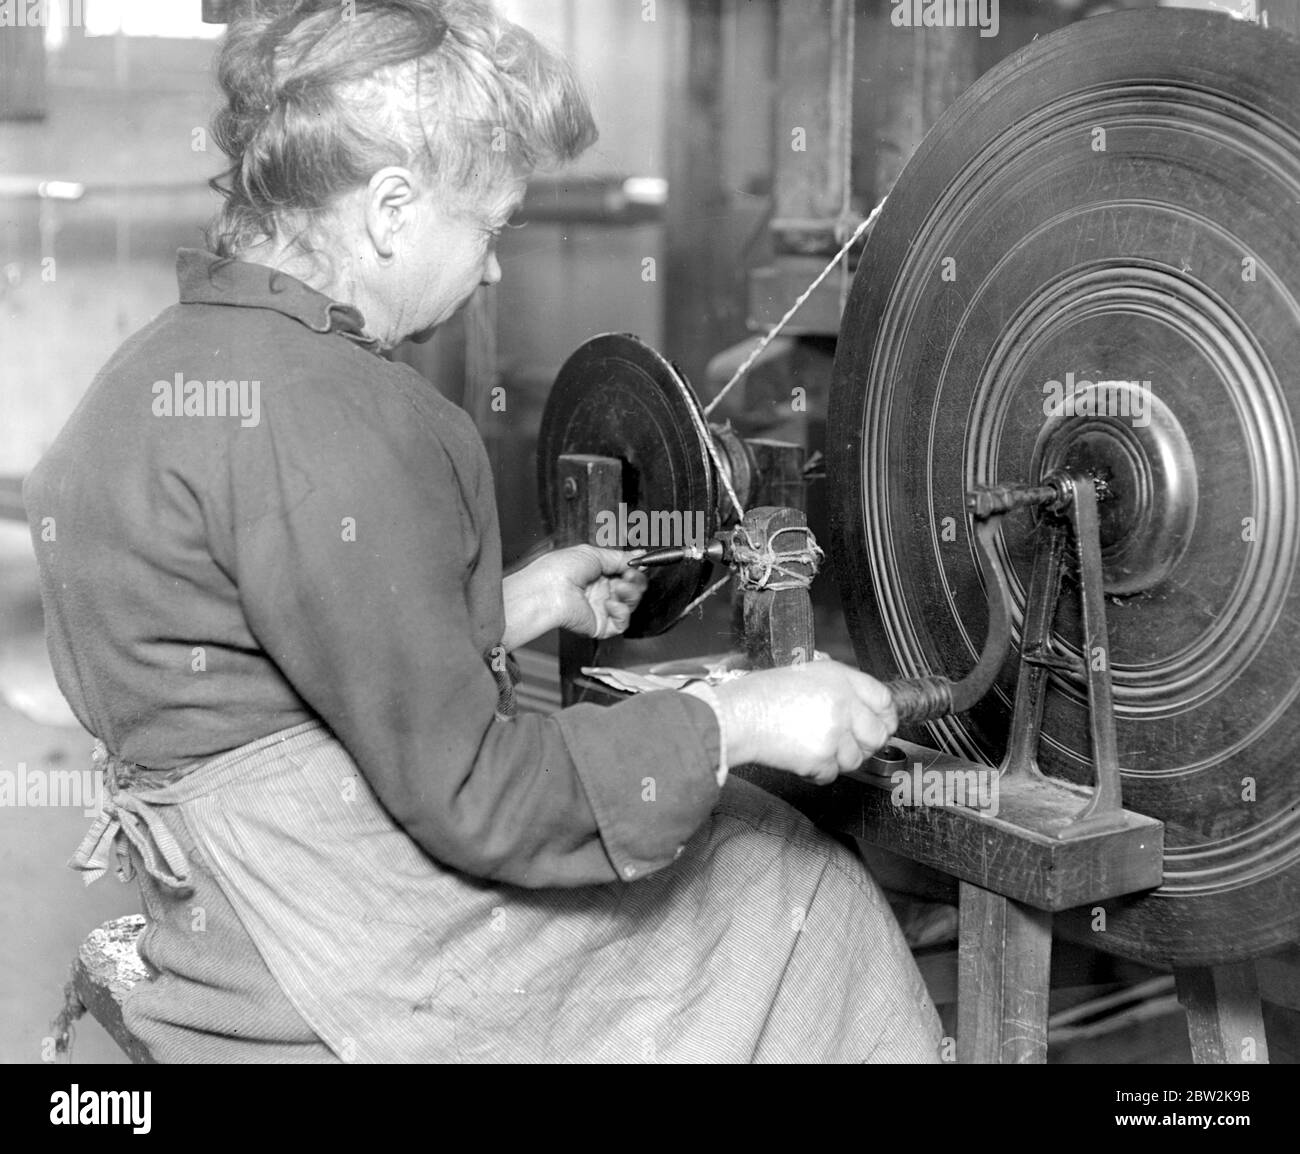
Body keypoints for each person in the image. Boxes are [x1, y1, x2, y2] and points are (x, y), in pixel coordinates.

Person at [25, 0, 941, 1062]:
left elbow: (288, 659)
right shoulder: (340, 413)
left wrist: (526, 597)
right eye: (491, 228)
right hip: (326, 941)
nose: (494, 268)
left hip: (226, 897)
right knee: (789, 877)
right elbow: (482, 794)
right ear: (392, 209)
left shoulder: (151, 376)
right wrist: (739, 716)